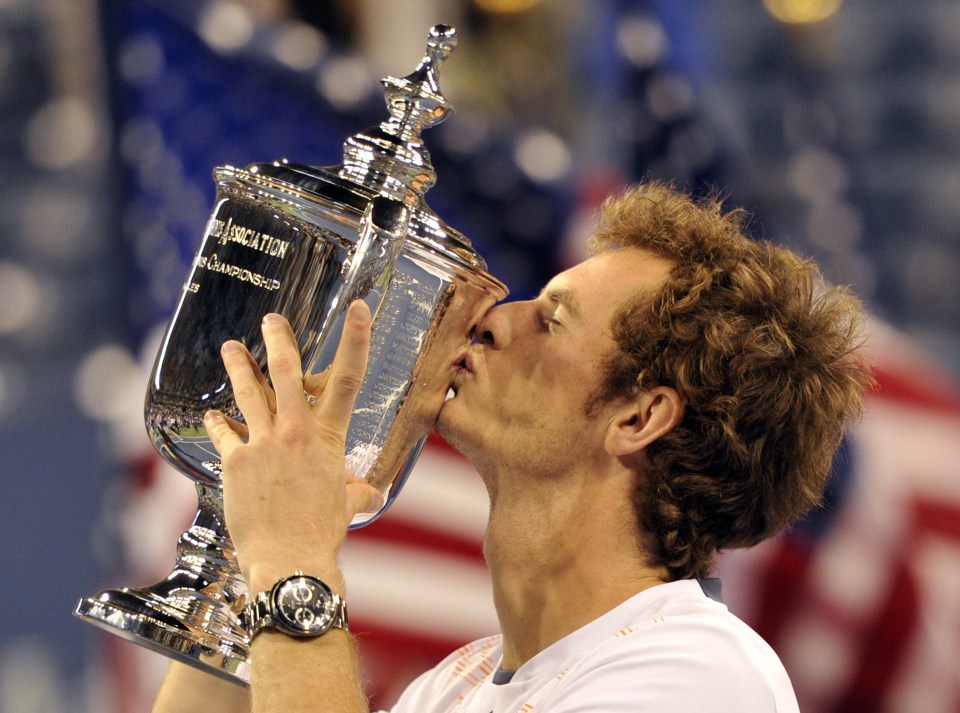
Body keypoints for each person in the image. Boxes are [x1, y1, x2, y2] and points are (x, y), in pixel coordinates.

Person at [151, 181, 872, 712]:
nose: (495, 322)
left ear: (639, 416)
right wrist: (247, 537)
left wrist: (295, 561)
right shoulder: (451, 689)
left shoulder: (701, 675)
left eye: (551, 321)